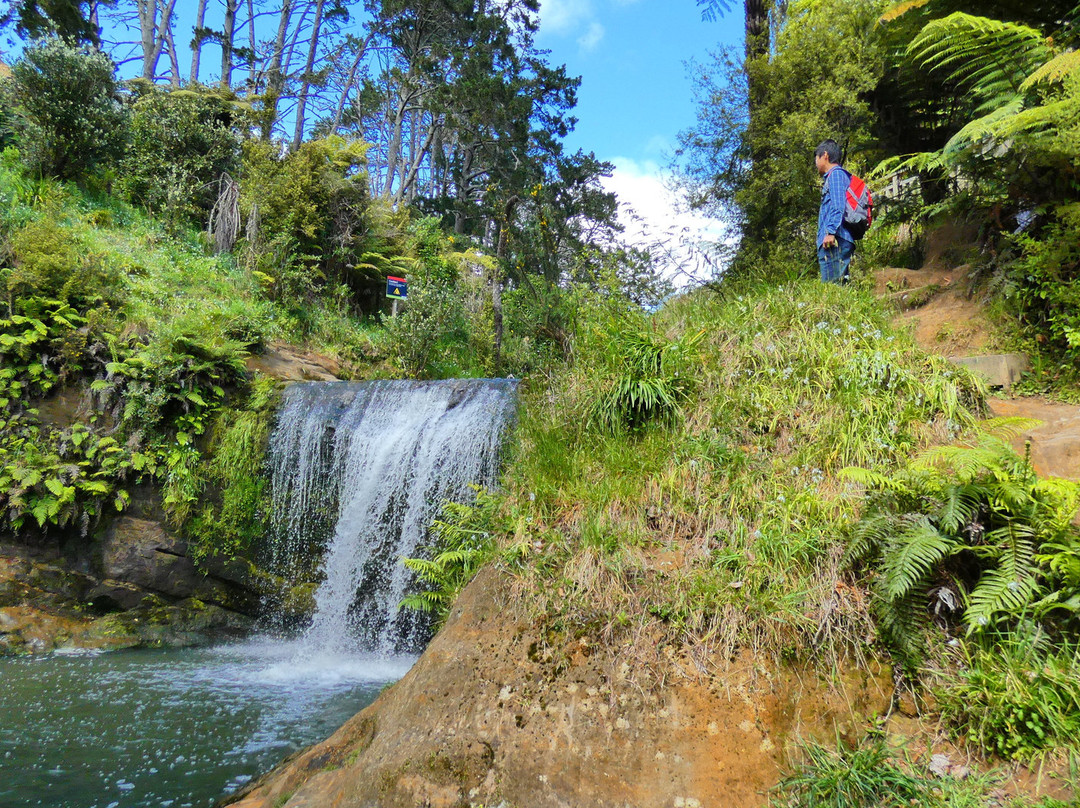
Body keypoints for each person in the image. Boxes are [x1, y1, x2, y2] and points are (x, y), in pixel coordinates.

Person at [815, 139, 854, 284]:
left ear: (824, 155)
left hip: (834, 241)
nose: (816, 163)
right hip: (833, 240)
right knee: (839, 286)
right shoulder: (834, 176)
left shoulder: (836, 175)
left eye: (816, 158)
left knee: (833, 287)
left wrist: (830, 232)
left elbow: (838, 205)